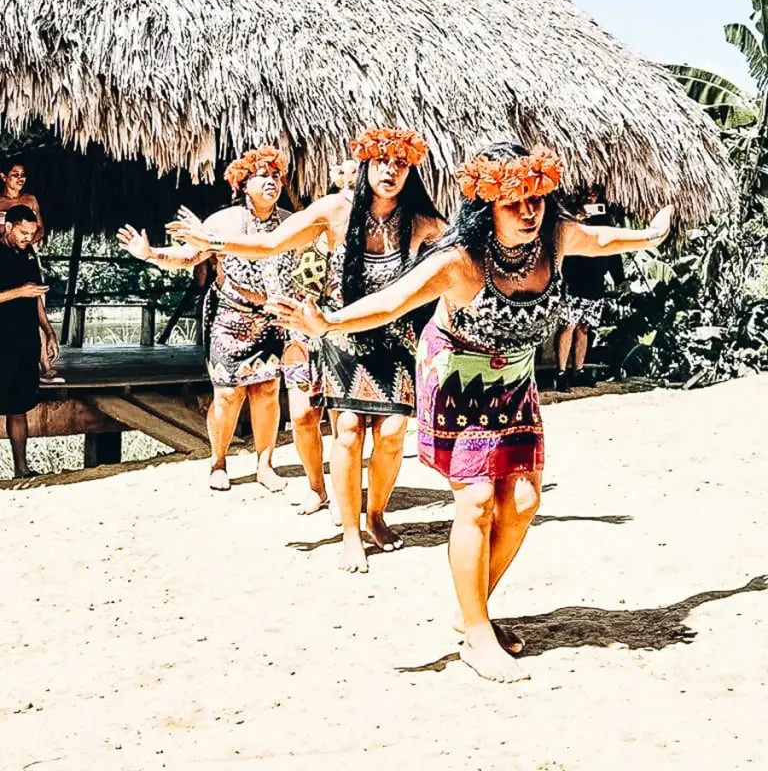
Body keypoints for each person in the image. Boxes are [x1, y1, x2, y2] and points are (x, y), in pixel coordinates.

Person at [267, 141, 672, 682]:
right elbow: (392, 303)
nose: (530, 212)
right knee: (478, 502)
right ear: (487, 207)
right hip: (456, 382)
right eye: (513, 203)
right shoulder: (460, 259)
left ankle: (472, 610)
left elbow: (600, 239)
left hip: (515, 384)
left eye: (536, 199)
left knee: (524, 502)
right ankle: (478, 637)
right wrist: (329, 324)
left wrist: (650, 234)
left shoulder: (554, 235)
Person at [169, 127, 445, 572]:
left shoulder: (421, 222)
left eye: (400, 165)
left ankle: (376, 514)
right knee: (349, 429)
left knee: (392, 435)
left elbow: (463, 258)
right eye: (382, 163)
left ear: (411, 172)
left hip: (393, 337)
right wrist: (212, 243)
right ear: (367, 167)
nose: (390, 172)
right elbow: (272, 243)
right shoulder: (336, 209)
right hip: (337, 331)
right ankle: (350, 531)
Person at [117, 146, 327, 509]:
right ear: (244, 184)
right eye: (263, 176)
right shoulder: (222, 222)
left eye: (276, 176)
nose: (271, 182)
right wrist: (150, 254)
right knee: (228, 395)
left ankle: (265, 464)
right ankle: (218, 461)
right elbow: (189, 257)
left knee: (266, 391)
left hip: (273, 319)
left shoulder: (292, 221)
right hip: (230, 316)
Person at [0, 205, 60, 478]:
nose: (28, 238)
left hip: (24, 342)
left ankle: (21, 469)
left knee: (19, 407)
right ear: (8, 226)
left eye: (32, 233)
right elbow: (23, 292)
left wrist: (48, 331)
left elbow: (36, 298)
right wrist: (18, 292)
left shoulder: (28, 255)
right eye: (24, 232)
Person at [554, 186, 625, 391]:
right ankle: (560, 373)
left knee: (584, 327)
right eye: (588, 193)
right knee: (568, 325)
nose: (591, 197)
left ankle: (578, 370)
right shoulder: (569, 218)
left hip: (595, 282)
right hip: (573, 280)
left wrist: (619, 278)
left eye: (595, 193)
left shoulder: (604, 220)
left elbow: (614, 251)